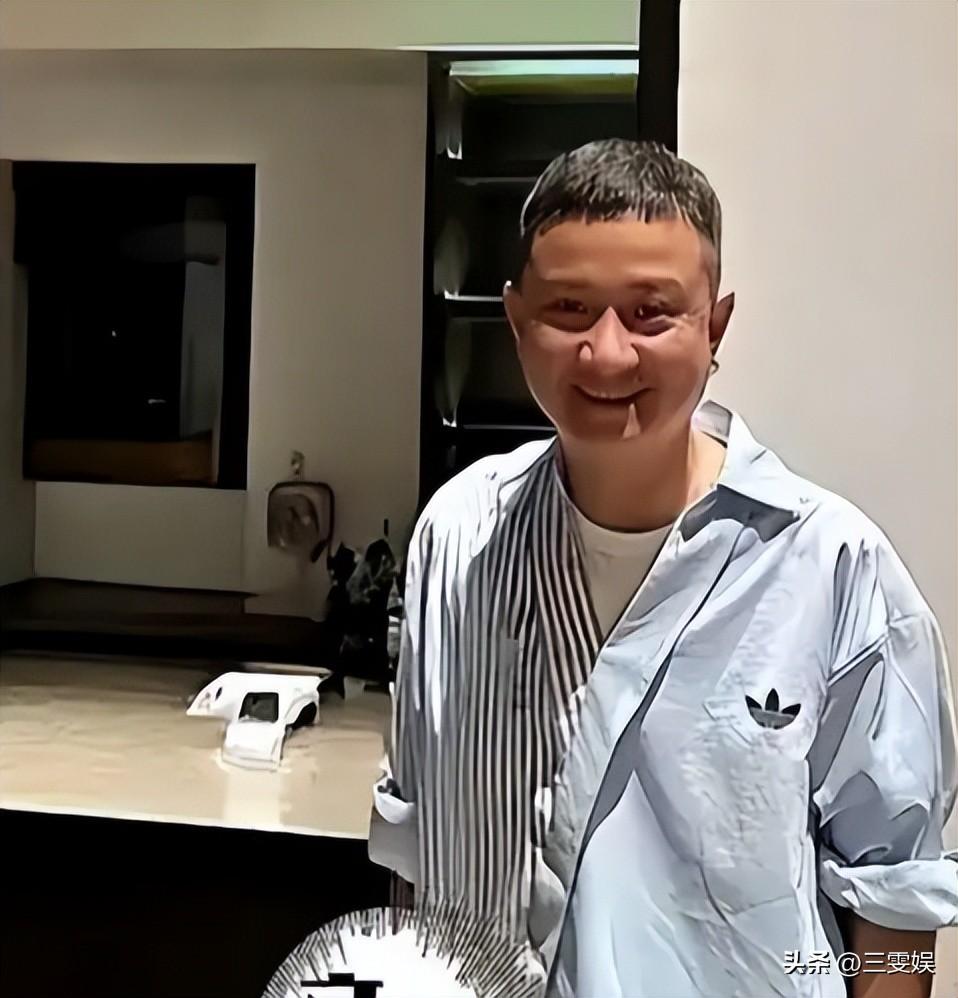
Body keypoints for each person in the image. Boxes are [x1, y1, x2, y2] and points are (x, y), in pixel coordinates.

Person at [368, 139, 957, 997]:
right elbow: (414, 844)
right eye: (569, 309)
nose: (607, 354)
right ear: (516, 320)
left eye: (651, 313)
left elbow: (896, 903)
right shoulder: (457, 537)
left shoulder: (834, 570)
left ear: (714, 327)